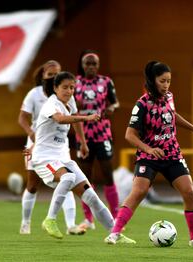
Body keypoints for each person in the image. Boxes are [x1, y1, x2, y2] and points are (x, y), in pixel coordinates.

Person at [104, 61, 193, 247]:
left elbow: (172, 114)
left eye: (168, 81)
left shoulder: (169, 97)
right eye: (162, 81)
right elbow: (129, 135)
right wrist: (149, 149)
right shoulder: (142, 105)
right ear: (152, 81)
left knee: (189, 192)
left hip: (172, 154)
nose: (166, 85)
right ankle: (114, 233)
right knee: (139, 192)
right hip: (149, 156)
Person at [29, 71, 133, 243]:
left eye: (72, 87)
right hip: (44, 158)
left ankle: (115, 234)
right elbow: (61, 119)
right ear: (55, 88)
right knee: (68, 177)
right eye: (65, 87)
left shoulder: (69, 102)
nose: (69, 91)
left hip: (63, 158)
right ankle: (50, 219)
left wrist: (83, 143)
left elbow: (74, 123)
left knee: (92, 197)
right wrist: (87, 117)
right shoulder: (51, 104)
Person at [18, 60, 85, 235]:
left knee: (67, 180)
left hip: (59, 146)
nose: (53, 77)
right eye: (50, 74)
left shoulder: (67, 95)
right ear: (43, 76)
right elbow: (22, 119)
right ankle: (26, 223)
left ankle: (71, 225)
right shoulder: (34, 94)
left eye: (57, 74)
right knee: (33, 185)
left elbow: (74, 118)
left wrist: (82, 142)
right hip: (36, 144)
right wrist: (33, 136)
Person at [74, 50, 120, 230]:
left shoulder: (106, 82)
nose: (91, 67)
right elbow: (66, 103)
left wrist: (112, 108)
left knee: (108, 174)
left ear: (98, 66)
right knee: (85, 177)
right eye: (88, 64)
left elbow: (115, 102)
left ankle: (116, 218)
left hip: (102, 133)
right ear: (83, 65)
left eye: (94, 64)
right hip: (83, 134)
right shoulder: (75, 83)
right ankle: (88, 219)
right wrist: (73, 104)